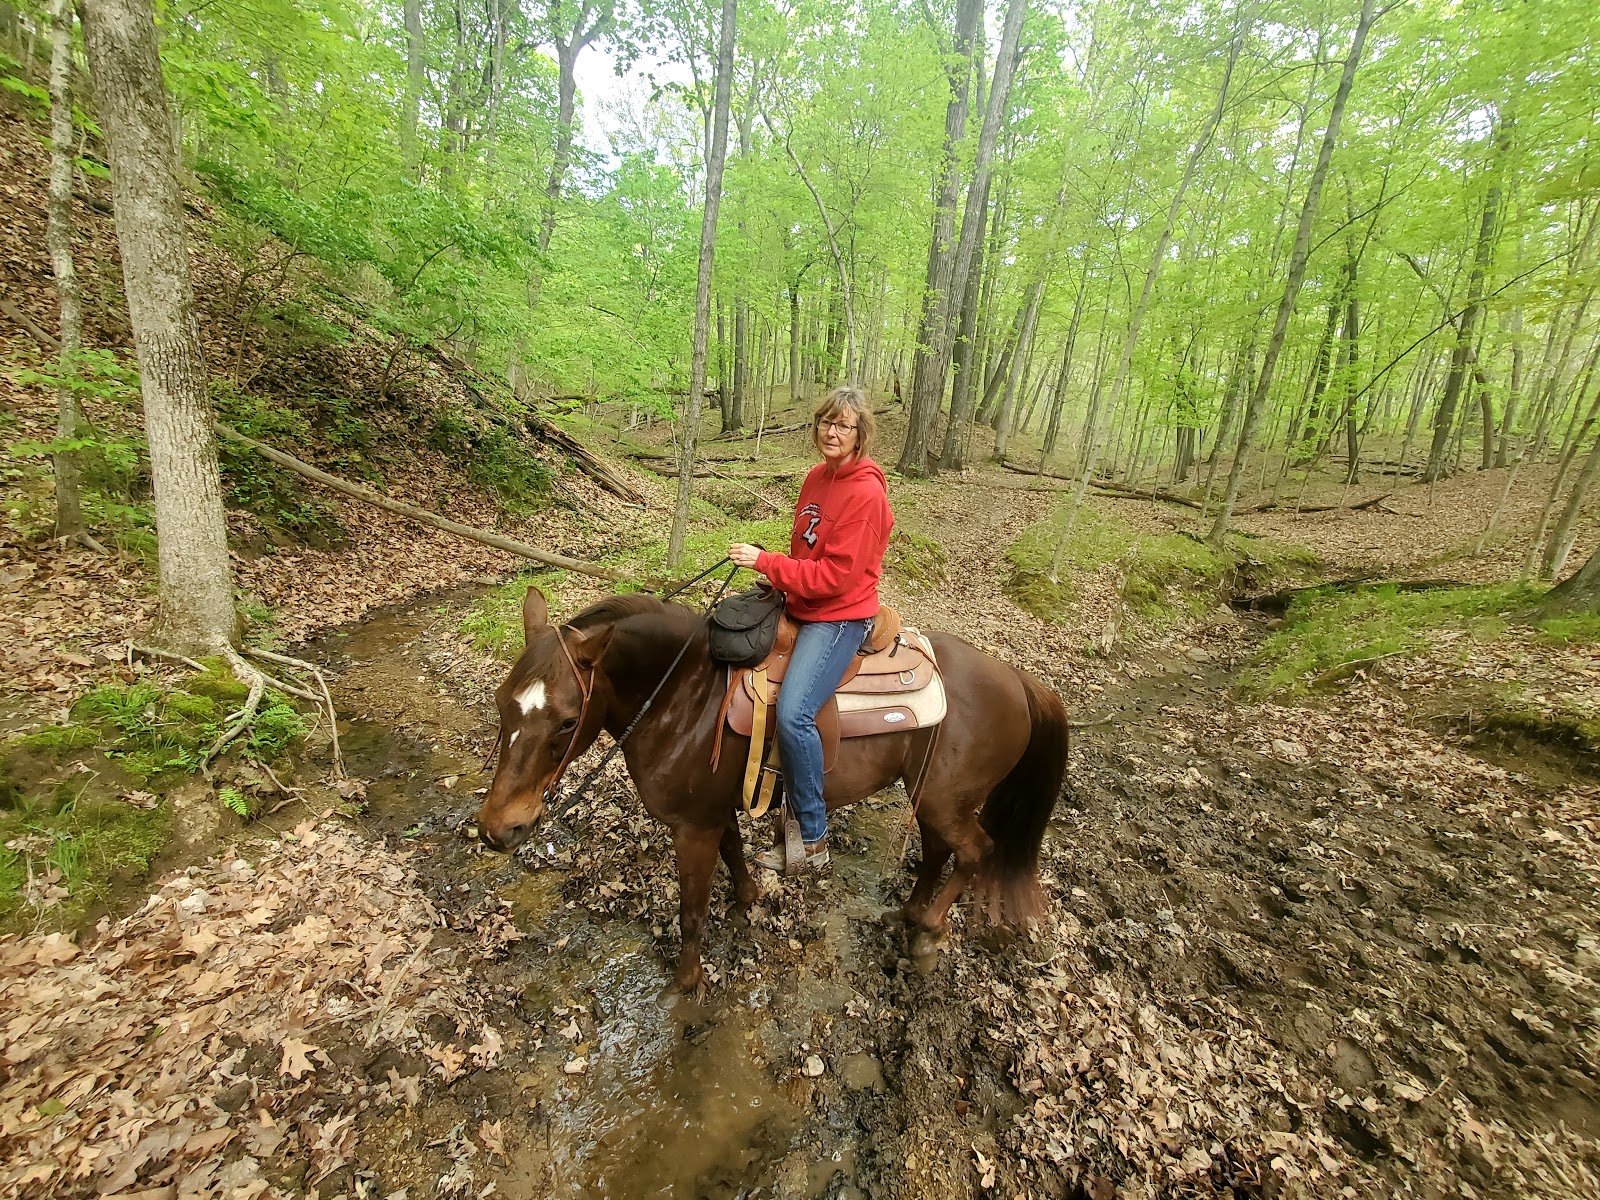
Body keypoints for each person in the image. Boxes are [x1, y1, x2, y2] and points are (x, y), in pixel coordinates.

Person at [729, 385, 894, 871]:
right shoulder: (816, 478)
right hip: (801, 602)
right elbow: (806, 551)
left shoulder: (865, 494)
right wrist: (779, 580)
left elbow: (837, 576)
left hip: (840, 614)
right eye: (826, 421)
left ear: (860, 434)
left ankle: (815, 838)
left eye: (843, 425)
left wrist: (768, 563)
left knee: (796, 711)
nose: (832, 432)